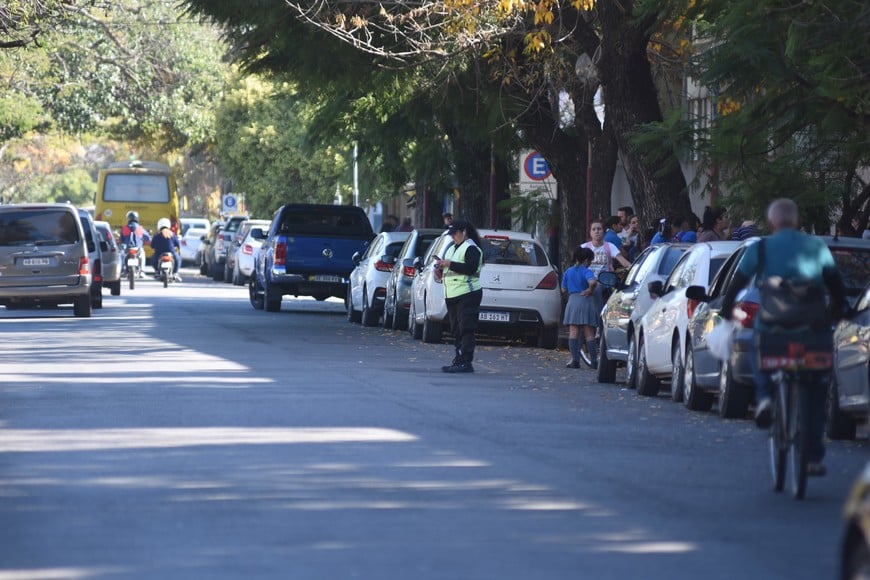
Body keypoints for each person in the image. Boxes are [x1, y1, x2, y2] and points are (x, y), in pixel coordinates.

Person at [720, 198, 848, 477]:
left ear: (771, 223)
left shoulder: (761, 248)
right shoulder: (815, 247)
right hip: (812, 330)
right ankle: (813, 456)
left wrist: (726, 309)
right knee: (815, 389)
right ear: (797, 221)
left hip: (773, 328)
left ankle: (765, 396)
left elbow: (737, 283)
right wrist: (840, 308)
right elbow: (835, 284)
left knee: (758, 348)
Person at [436, 219, 483, 373]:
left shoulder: (471, 248)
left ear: (464, 232)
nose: (453, 237)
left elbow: (470, 268)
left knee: (466, 328)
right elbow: (449, 270)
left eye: (455, 233)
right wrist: (440, 269)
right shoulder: (452, 248)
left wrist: (450, 264)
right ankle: (459, 358)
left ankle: (466, 361)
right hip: (452, 294)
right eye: (451, 234)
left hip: (468, 293)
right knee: (456, 329)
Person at [561, 247, 598, 369]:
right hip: (586, 300)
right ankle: (594, 361)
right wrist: (589, 290)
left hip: (573, 301)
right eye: (591, 260)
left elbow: (563, 289)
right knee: (589, 333)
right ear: (586, 260)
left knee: (573, 332)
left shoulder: (568, 271)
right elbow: (592, 282)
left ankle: (575, 360)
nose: (590, 263)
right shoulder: (586, 271)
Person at [581, 219, 632, 305]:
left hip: (605, 283)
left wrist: (634, 268)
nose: (596, 231)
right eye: (593, 229)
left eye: (599, 229)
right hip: (587, 282)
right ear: (590, 232)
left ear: (604, 232)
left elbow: (624, 262)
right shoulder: (584, 247)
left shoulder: (610, 246)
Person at [120, 211, 150, 278]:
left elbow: (121, 240)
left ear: (128, 218)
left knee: (122, 254)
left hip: (128, 249)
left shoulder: (125, 228)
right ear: (137, 218)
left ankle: (123, 270)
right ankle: (142, 271)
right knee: (142, 254)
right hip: (138, 248)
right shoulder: (140, 228)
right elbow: (148, 238)